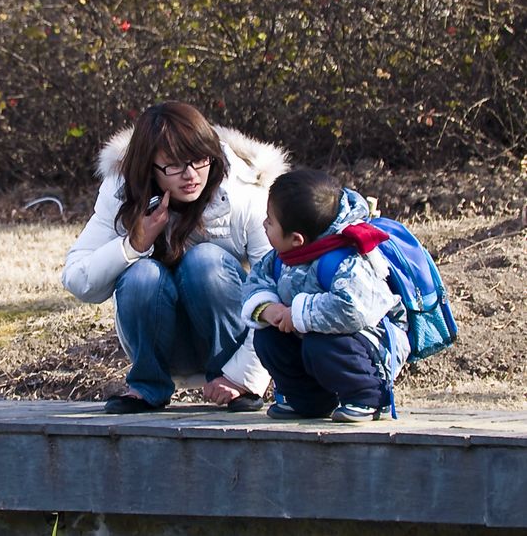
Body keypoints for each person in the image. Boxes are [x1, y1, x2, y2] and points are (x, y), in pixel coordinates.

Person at [61, 102, 289, 414]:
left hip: (228, 341)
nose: (191, 175)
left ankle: (231, 385)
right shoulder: (121, 191)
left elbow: (279, 287)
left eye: (199, 160)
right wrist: (133, 244)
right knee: (142, 274)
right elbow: (77, 280)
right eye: (174, 166)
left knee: (205, 261)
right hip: (162, 344)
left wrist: (244, 375)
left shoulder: (244, 193)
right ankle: (147, 386)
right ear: (148, 166)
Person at [242, 168, 411, 422]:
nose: (264, 224)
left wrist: (297, 313)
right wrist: (267, 308)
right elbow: (255, 282)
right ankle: (308, 399)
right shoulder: (280, 258)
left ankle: (369, 395)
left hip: (371, 344)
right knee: (268, 338)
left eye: (270, 220)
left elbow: (352, 309)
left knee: (320, 344)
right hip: (314, 337)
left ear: (297, 239)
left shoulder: (346, 259)